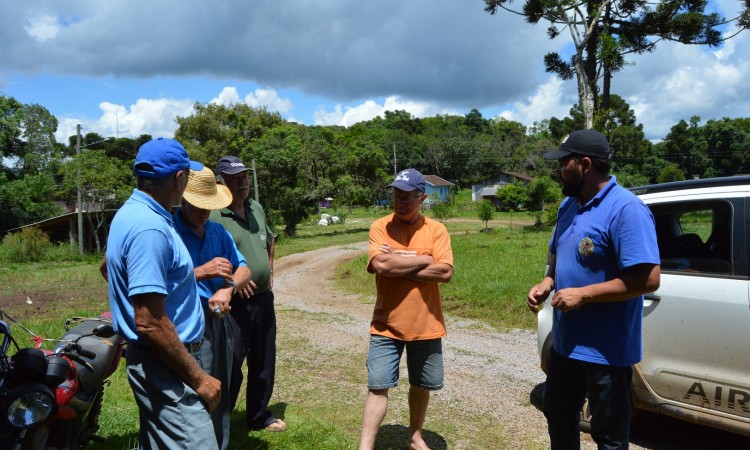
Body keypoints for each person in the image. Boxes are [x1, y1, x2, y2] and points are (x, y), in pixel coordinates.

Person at [527, 130, 661, 450]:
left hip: (606, 350)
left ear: (585, 164)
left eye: (563, 164)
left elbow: (648, 279)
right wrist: (547, 282)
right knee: (558, 413)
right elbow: (559, 255)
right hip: (566, 343)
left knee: (609, 435)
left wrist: (584, 294)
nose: (558, 171)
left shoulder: (626, 209)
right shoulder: (568, 206)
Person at [105, 137, 221, 449]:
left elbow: (108, 266)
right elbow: (150, 322)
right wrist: (199, 379)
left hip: (159, 358)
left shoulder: (132, 213)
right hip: (168, 363)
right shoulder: (150, 229)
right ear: (179, 178)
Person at [359, 168, 454, 450]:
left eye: (407, 198)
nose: (399, 202)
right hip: (386, 324)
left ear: (422, 198)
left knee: (422, 385)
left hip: (426, 323)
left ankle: (415, 436)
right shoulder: (381, 227)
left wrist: (397, 266)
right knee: (378, 386)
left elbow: (445, 272)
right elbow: (380, 265)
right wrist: (424, 260)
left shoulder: (436, 230)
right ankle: (365, 447)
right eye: (396, 196)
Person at [173, 166, 252, 449]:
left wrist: (228, 288)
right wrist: (200, 271)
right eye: (198, 204)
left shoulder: (218, 232)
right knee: (196, 387)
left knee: (221, 384)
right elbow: (156, 279)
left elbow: (244, 269)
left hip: (219, 319)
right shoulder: (169, 231)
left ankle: (218, 442)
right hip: (185, 321)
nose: (203, 211)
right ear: (183, 197)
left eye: (209, 205)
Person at [209, 156, 286, 432]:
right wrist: (232, 281)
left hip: (263, 298)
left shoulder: (255, 207)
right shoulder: (215, 214)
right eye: (234, 178)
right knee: (230, 363)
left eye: (244, 177)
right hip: (235, 303)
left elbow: (270, 239)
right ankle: (221, 418)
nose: (242, 182)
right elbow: (208, 253)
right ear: (220, 182)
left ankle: (258, 415)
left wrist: (270, 270)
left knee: (264, 359)